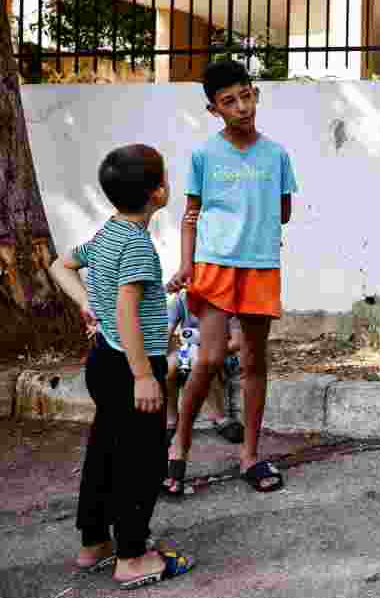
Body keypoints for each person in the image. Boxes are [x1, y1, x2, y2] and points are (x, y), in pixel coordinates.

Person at [48, 144, 195, 589]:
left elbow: (61, 265)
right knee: (141, 463)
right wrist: (144, 375)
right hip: (129, 367)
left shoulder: (108, 234)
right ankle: (132, 556)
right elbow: (129, 311)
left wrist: (89, 306)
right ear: (158, 192)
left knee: (105, 454)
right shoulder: (136, 247)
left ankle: (94, 543)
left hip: (105, 361)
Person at [164, 59, 298, 495]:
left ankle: (251, 457)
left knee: (255, 361)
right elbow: (190, 215)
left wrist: (252, 226)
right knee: (207, 359)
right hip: (215, 267)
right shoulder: (204, 155)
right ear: (214, 109)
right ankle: (179, 446)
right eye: (228, 101)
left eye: (246, 96)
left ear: (255, 94)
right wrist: (187, 264)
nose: (241, 107)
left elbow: (283, 213)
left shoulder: (277, 154)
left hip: (260, 267)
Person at [165, 288, 245, 445]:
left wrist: (210, 348)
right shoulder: (182, 298)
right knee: (169, 367)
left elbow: (236, 342)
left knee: (204, 362)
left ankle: (219, 417)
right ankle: (171, 419)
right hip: (188, 350)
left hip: (221, 353)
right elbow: (167, 331)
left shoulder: (227, 299)